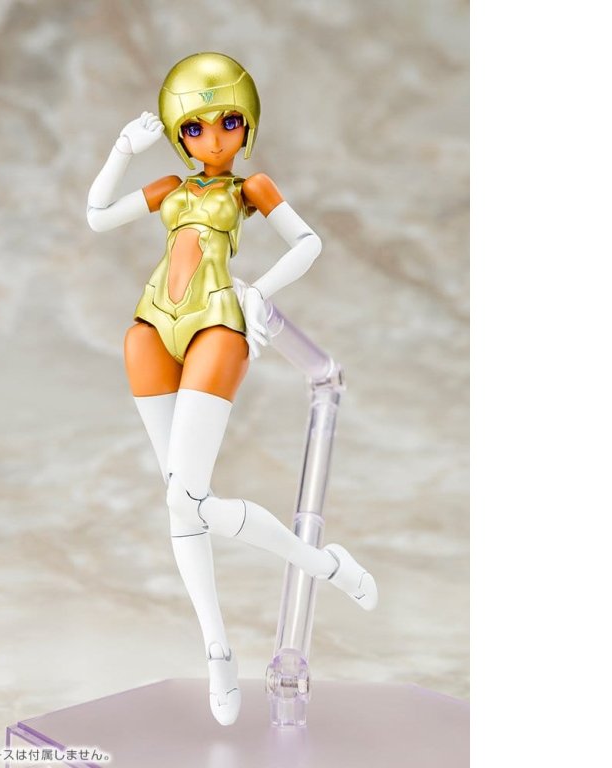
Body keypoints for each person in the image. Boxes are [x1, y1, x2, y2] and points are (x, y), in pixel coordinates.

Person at [86, 52, 377, 726]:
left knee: (186, 496)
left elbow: (307, 243)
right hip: (150, 328)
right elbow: (97, 214)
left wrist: (258, 293)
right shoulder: (169, 186)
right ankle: (219, 646)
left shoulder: (250, 189)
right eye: (194, 128)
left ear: (248, 125)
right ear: (176, 132)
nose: (213, 139)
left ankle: (322, 568)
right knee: (179, 503)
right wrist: (122, 149)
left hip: (218, 322)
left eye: (228, 122)